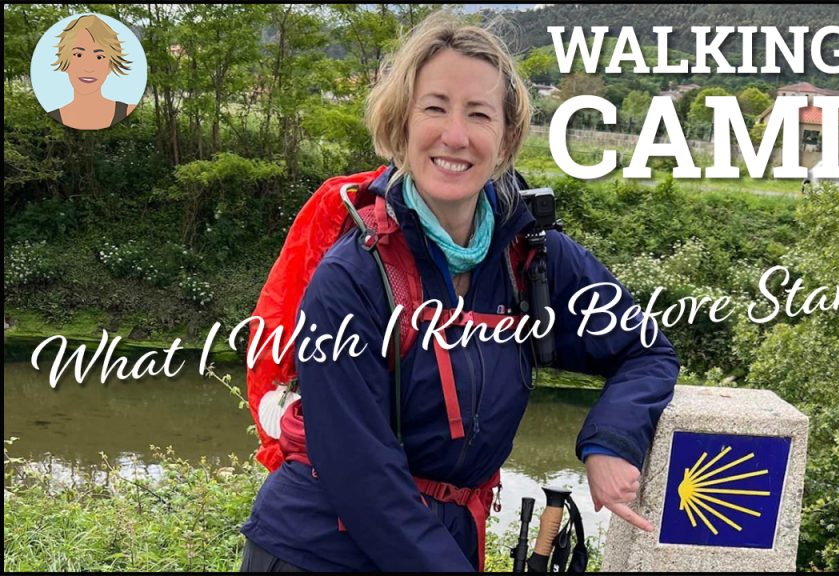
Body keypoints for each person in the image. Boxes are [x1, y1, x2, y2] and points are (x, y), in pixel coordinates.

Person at [239, 12, 679, 572]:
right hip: (321, 550)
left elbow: (645, 349)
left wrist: (611, 440)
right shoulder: (351, 277)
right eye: (434, 107)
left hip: (439, 545)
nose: (455, 135)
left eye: (479, 113)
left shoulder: (530, 257)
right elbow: (362, 476)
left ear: (507, 137)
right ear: (400, 124)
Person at [48, 14, 135, 130]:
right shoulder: (54, 114)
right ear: (65, 62)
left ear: (110, 66)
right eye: (78, 55)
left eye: (99, 57)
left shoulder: (126, 110)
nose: (88, 68)